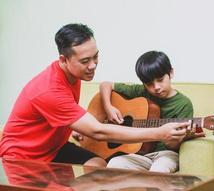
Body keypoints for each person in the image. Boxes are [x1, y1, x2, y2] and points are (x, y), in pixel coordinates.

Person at [0, 24, 191, 168]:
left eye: (96, 56)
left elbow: (65, 109)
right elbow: (98, 131)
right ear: (63, 60)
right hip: (22, 156)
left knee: (98, 166)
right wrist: (159, 132)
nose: (93, 65)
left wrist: (74, 122)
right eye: (85, 61)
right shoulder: (49, 90)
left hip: (54, 147)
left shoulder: (73, 75)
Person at [100, 51, 205, 173]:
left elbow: (174, 146)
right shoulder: (141, 91)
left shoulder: (183, 104)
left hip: (165, 154)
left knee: (160, 169)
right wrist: (108, 108)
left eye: (160, 80)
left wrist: (178, 138)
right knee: (115, 163)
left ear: (171, 73)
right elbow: (105, 85)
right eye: (149, 84)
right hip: (138, 154)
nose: (156, 87)